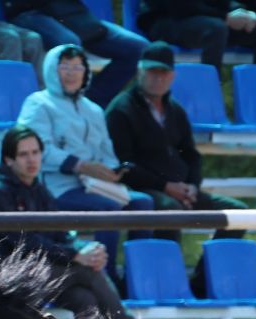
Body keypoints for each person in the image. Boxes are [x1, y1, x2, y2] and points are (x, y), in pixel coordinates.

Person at [0, 124, 182, 319]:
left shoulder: (38, 189)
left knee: (84, 299)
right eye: (23, 154)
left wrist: (84, 249)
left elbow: (60, 233)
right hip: (12, 278)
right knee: (86, 271)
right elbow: (26, 244)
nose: (31, 160)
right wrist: (76, 256)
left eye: (35, 152)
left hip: (43, 274)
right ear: (8, 160)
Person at [103, 42, 245, 290]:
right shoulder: (120, 110)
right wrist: (166, 187)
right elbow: (125, 166)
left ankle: (200, 285)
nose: (157, 78)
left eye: (163, 73)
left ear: (172, 76)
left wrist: (191, 185)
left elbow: (191, 155)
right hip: (142, 190)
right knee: (169, 210)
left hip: (179, 190)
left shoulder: (175, 110)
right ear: (140, 71)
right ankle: (165, 285)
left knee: (237, 213)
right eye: (152, 72)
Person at [17, 44, 155, 274]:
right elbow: (37, 149)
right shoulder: (38, 103)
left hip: (95, 187)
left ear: (86, 72)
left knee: (144, 203)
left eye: (77, 67)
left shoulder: (93, 110)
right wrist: (79, 166)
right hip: (55, 189)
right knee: (108, 209)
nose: (71, 73)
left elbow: (106, 152)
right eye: (65, 66)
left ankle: (138, 276)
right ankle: (106, 277)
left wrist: (112, 171)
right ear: (52, 69)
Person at [5, 0, 148, 106]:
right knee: (70, 46)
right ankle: (66, 107)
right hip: (29, 12)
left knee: (139, 49)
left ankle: (92, 103)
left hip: (71, 13)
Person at [137, 0, 256, 76]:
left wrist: (244, 14)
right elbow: (181, 7)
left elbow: (224, 2)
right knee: (216, 29)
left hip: (208, 19)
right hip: (167, 19)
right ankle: (210, 95)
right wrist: (226, 17)